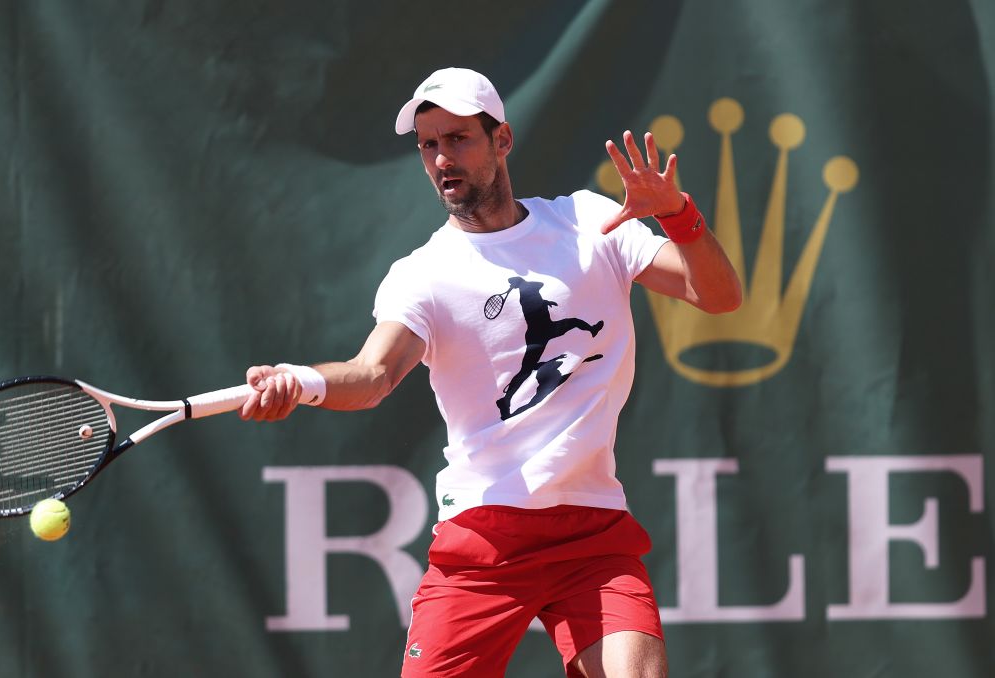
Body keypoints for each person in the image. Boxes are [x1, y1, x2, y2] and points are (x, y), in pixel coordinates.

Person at [240, 67, 741, 678]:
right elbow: (372, 374)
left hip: (591, 531)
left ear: (502, 140)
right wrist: (306, 382)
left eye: (458, 139)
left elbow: (717, 296)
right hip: (485, 538)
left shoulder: (590, 224)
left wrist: (679, 215)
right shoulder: (423, 274)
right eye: (429, 143)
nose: (442, 158)